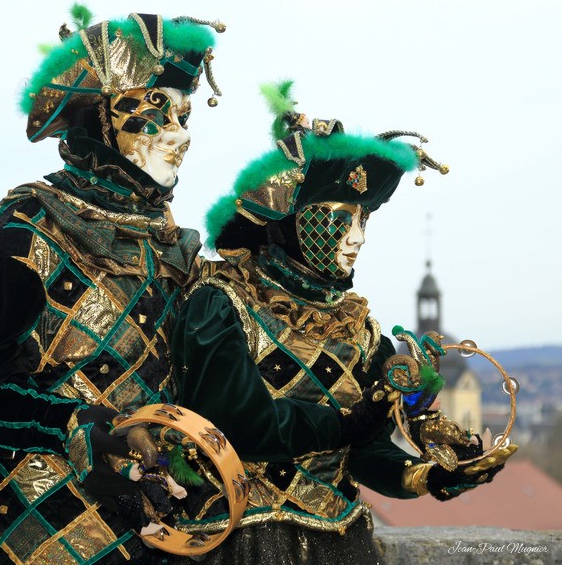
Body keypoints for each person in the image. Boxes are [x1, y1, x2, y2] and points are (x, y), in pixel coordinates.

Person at [168, 87, 517, 564]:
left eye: (364, 220)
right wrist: (348, 422)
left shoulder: (361, 329)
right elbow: (235, 426)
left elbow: (365, 453)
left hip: (344, 543)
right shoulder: (222, 305)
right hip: (243, 542)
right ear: (288, 220)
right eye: (338, 220)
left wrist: (429, 476)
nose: (356, 239)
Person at [0, 6, 224, 564]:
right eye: (158, 115)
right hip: (32, 532)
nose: (180, 137)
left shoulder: (173, 251)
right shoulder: (25, 237)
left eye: (184, 116)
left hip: (152, 533)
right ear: (99, 121)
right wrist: (65, 426)